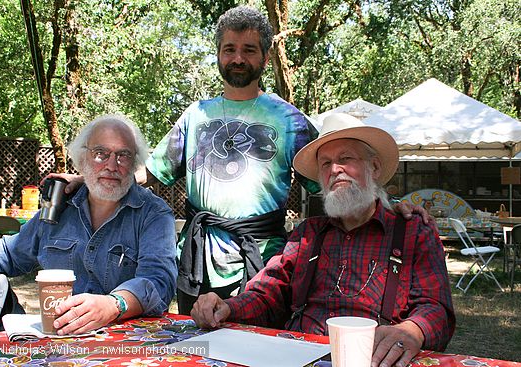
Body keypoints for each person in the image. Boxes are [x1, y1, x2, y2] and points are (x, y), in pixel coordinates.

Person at [51, 6, 429, 316]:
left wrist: (391, 206)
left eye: (249, 49)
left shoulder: (290, 120)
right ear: (218, 55)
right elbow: (149, 172)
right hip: (196, 259)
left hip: (264, 263)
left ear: (265, 56)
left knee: (257, 349)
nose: (238, 57)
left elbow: (336, 179)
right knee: (195, 344)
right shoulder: (195, 116)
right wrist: (92, 175)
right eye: (229, 48)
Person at [191, 113, 455, 367]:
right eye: (325, 163)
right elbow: (268, 292)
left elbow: (435, 307)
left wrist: (412, 329)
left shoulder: (412, 231)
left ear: (373, 167)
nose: (335, 169)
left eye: (345, 158)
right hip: (298, 355)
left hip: (374, 358)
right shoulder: (308, 233)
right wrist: (227, 306)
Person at [0, 114, 177, 336]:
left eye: (123, 155)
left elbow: (159, 282)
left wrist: (114, 305)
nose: (112, 165)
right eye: (100, 154)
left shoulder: (153, 214)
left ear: (135, 162)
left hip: (123, 345)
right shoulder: (58, 210)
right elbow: (7, 254)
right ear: (82, 159)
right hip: (54, 343)